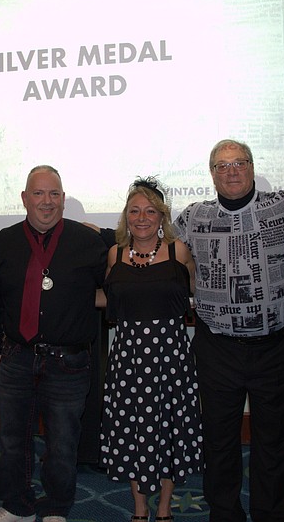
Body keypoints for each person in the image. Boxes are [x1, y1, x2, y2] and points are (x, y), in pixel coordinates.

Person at [174, 139, 284, 522]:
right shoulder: (192, 217)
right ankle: (224, 512)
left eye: (239, 163)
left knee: (275, 439)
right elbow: (158, 248)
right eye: (222, 165)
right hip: (217, 348)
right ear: (211, 173)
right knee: (219, 439)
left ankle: (272, 513)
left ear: (251, 167)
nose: (231, 171)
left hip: (276, 345)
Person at [0, 165, 107, 522]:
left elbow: (114, 284)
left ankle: (56, 509)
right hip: (16, 357)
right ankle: (15, 506)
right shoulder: (4, 241)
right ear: (24, 198)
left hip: (68, 363)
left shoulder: (86, 241)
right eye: (38, 193)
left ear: (64, 200)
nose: (46, 202)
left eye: (54, 194)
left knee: (63, 445)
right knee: (11, 442)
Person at [101, 177, 202, 522]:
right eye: (134, 211)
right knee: (133, 431)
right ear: (125, 216)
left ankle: (164, 506)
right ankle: (140, 506)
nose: (142, 218)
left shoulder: (180, 252)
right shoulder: (114, 254)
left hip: (172, 356)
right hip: (128, 358)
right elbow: (108, 299)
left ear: (162, 217)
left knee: (171, 430)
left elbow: (196, 293)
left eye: (150, 211)